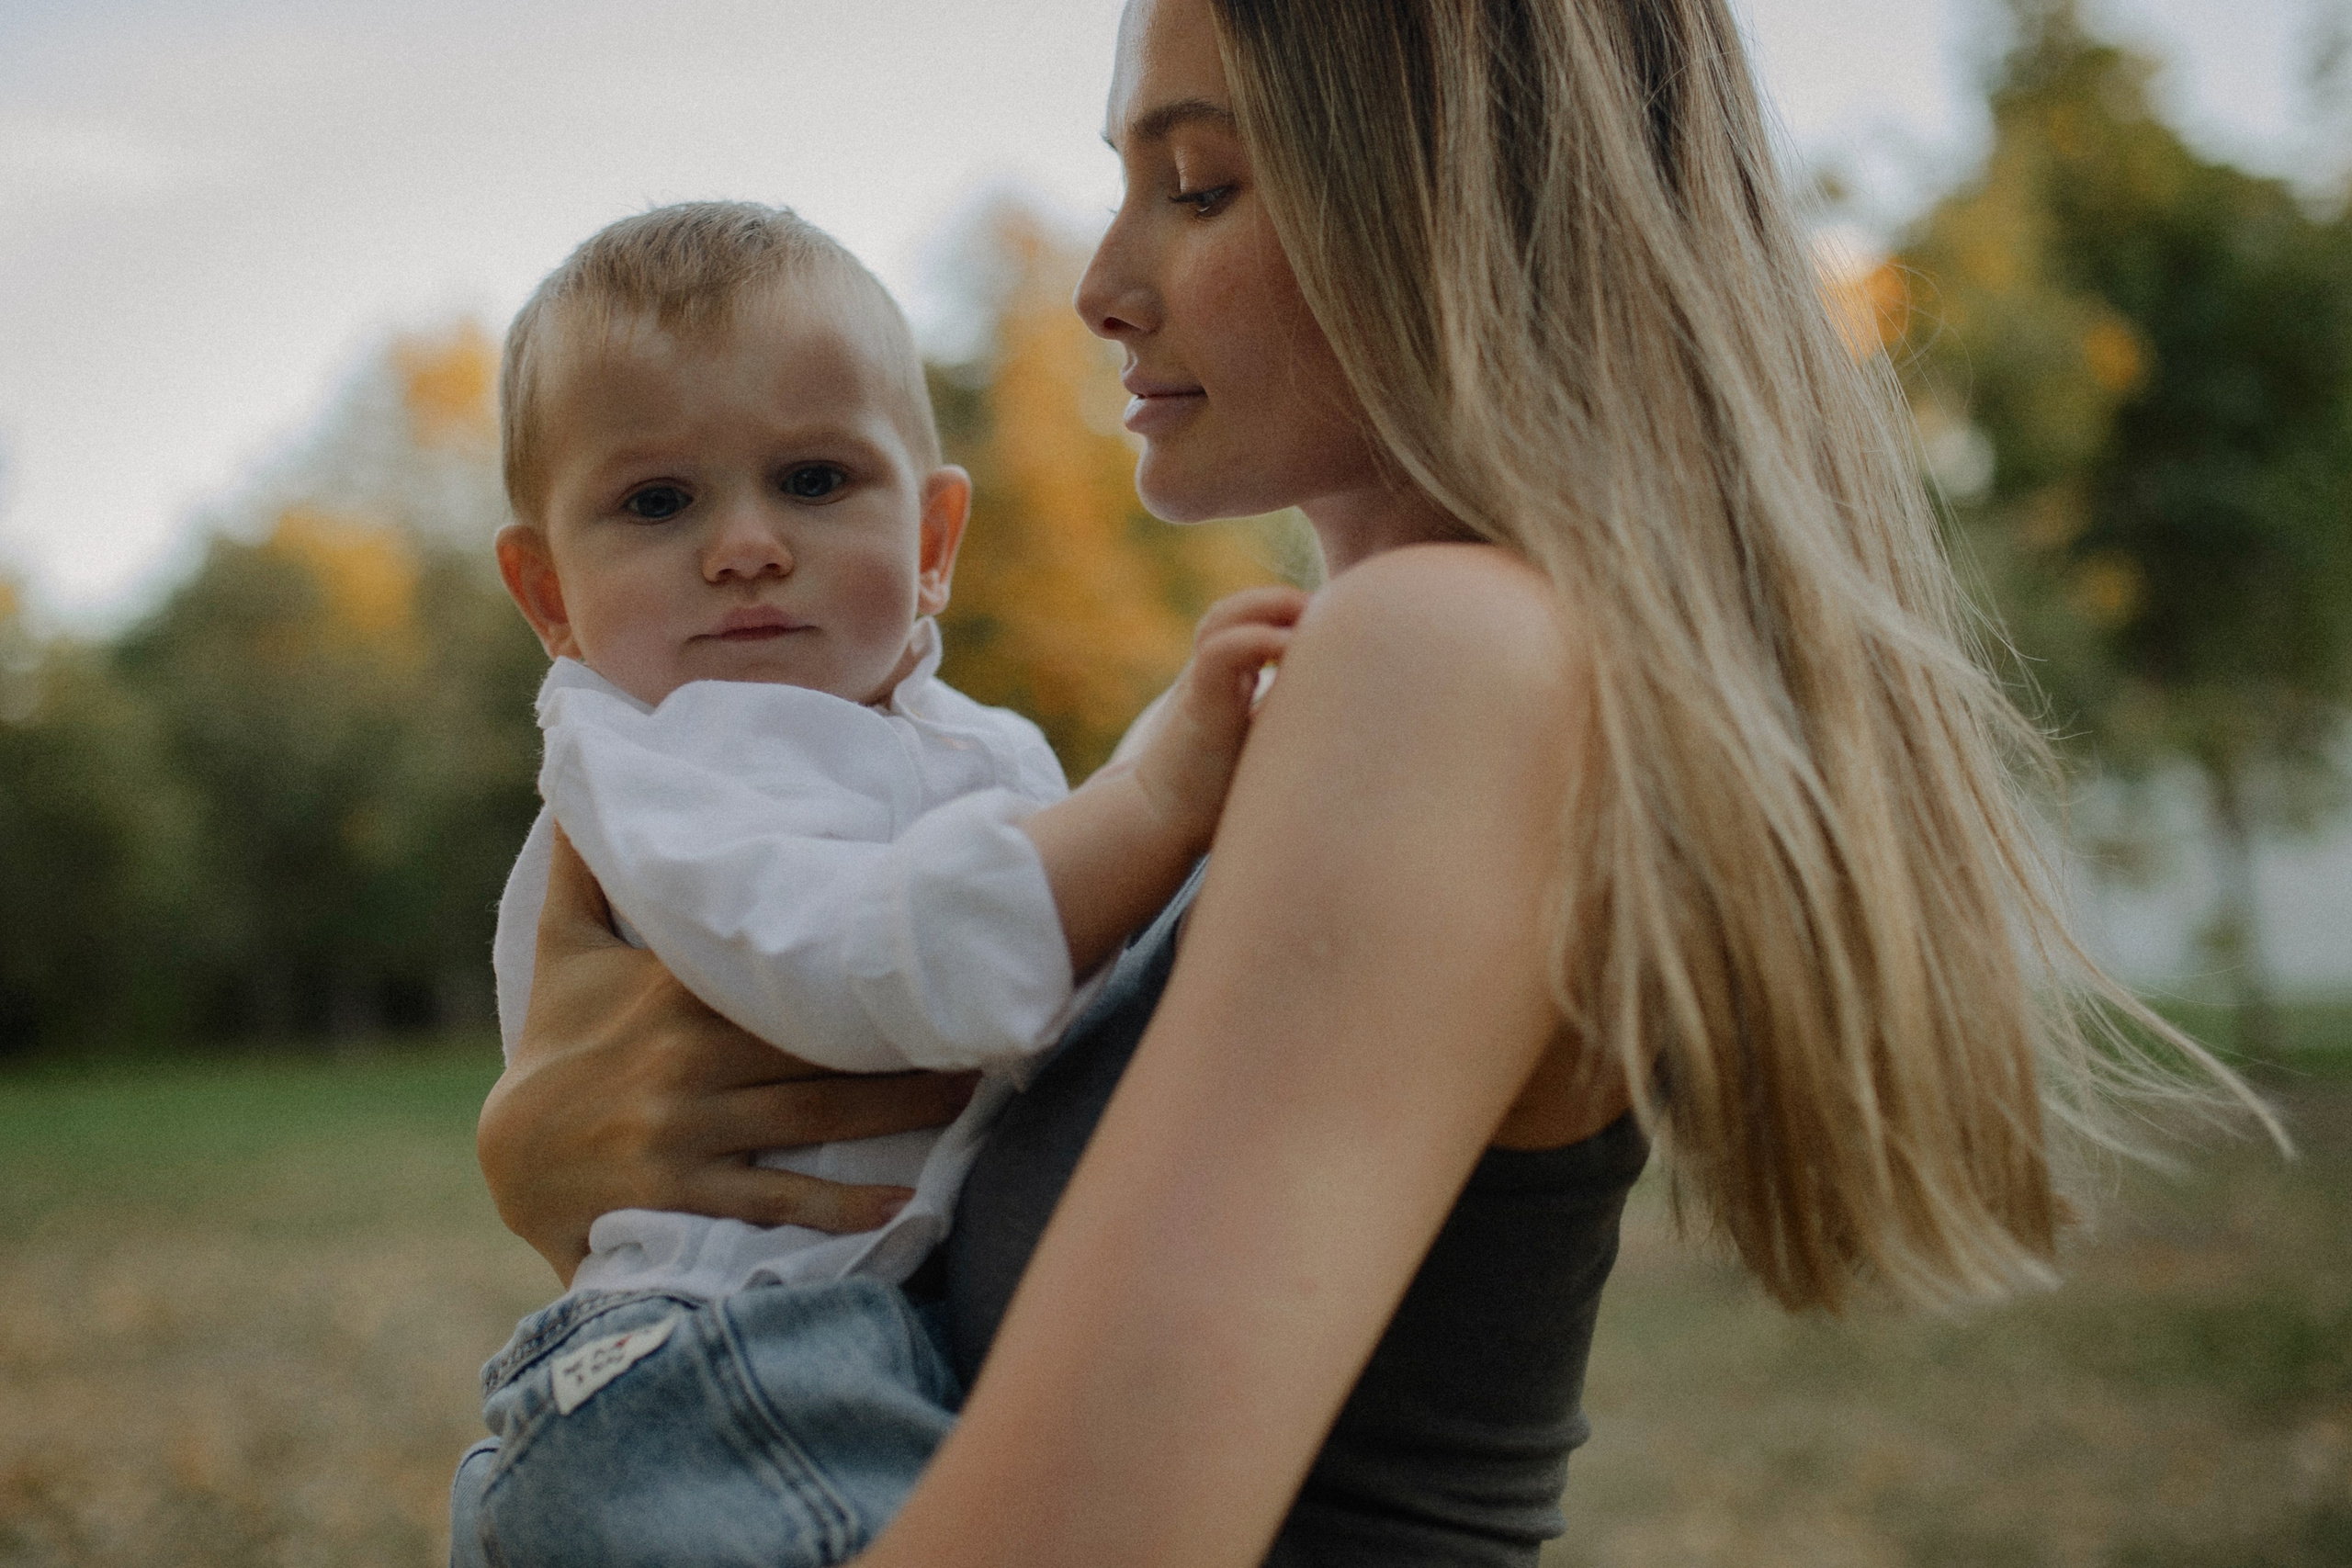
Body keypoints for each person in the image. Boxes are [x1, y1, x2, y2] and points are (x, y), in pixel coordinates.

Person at [475, 2, 2267, 1564]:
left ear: (1442, 203)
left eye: (1195, 185)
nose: (1103, 286)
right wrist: (563, 1159)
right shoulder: (1371, 681)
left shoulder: (1445, 658)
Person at [451, 200, 1304, 1567]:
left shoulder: (956, 742)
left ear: (933, 537)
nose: (745, 544)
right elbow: (878, 961)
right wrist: (1161, 796)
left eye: (813, 480)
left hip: (856, 1343)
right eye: (657, 501)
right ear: (546, 591)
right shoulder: (655, 764)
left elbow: (1082, 956)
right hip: (708, 1369)